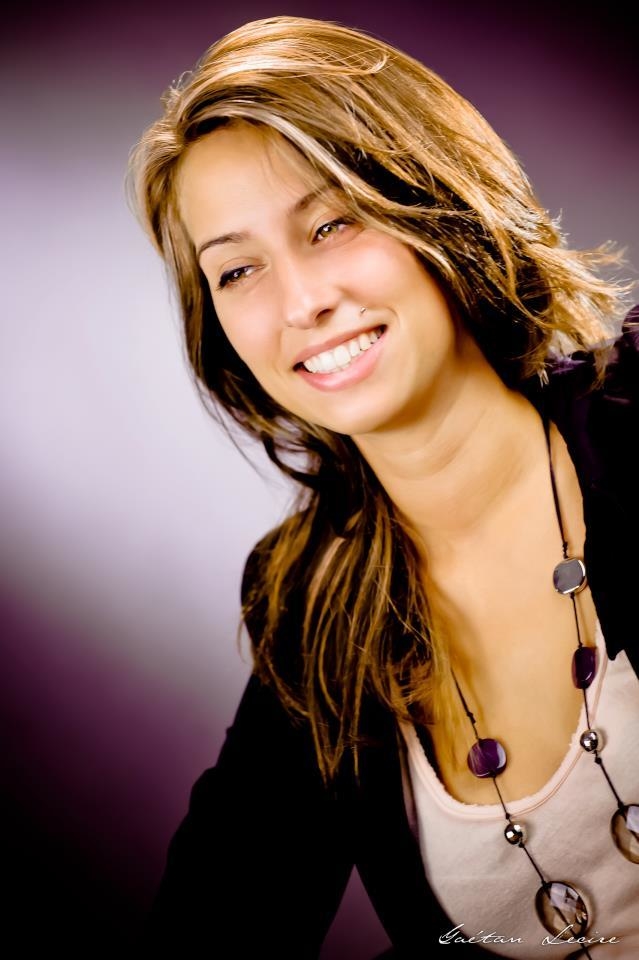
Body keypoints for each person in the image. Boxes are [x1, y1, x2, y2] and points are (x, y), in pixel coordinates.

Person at [128, 15, 639, 958]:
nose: (300, 303)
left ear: (434, 203)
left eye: (332, 223)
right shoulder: (310, 607)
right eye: (237, 270)